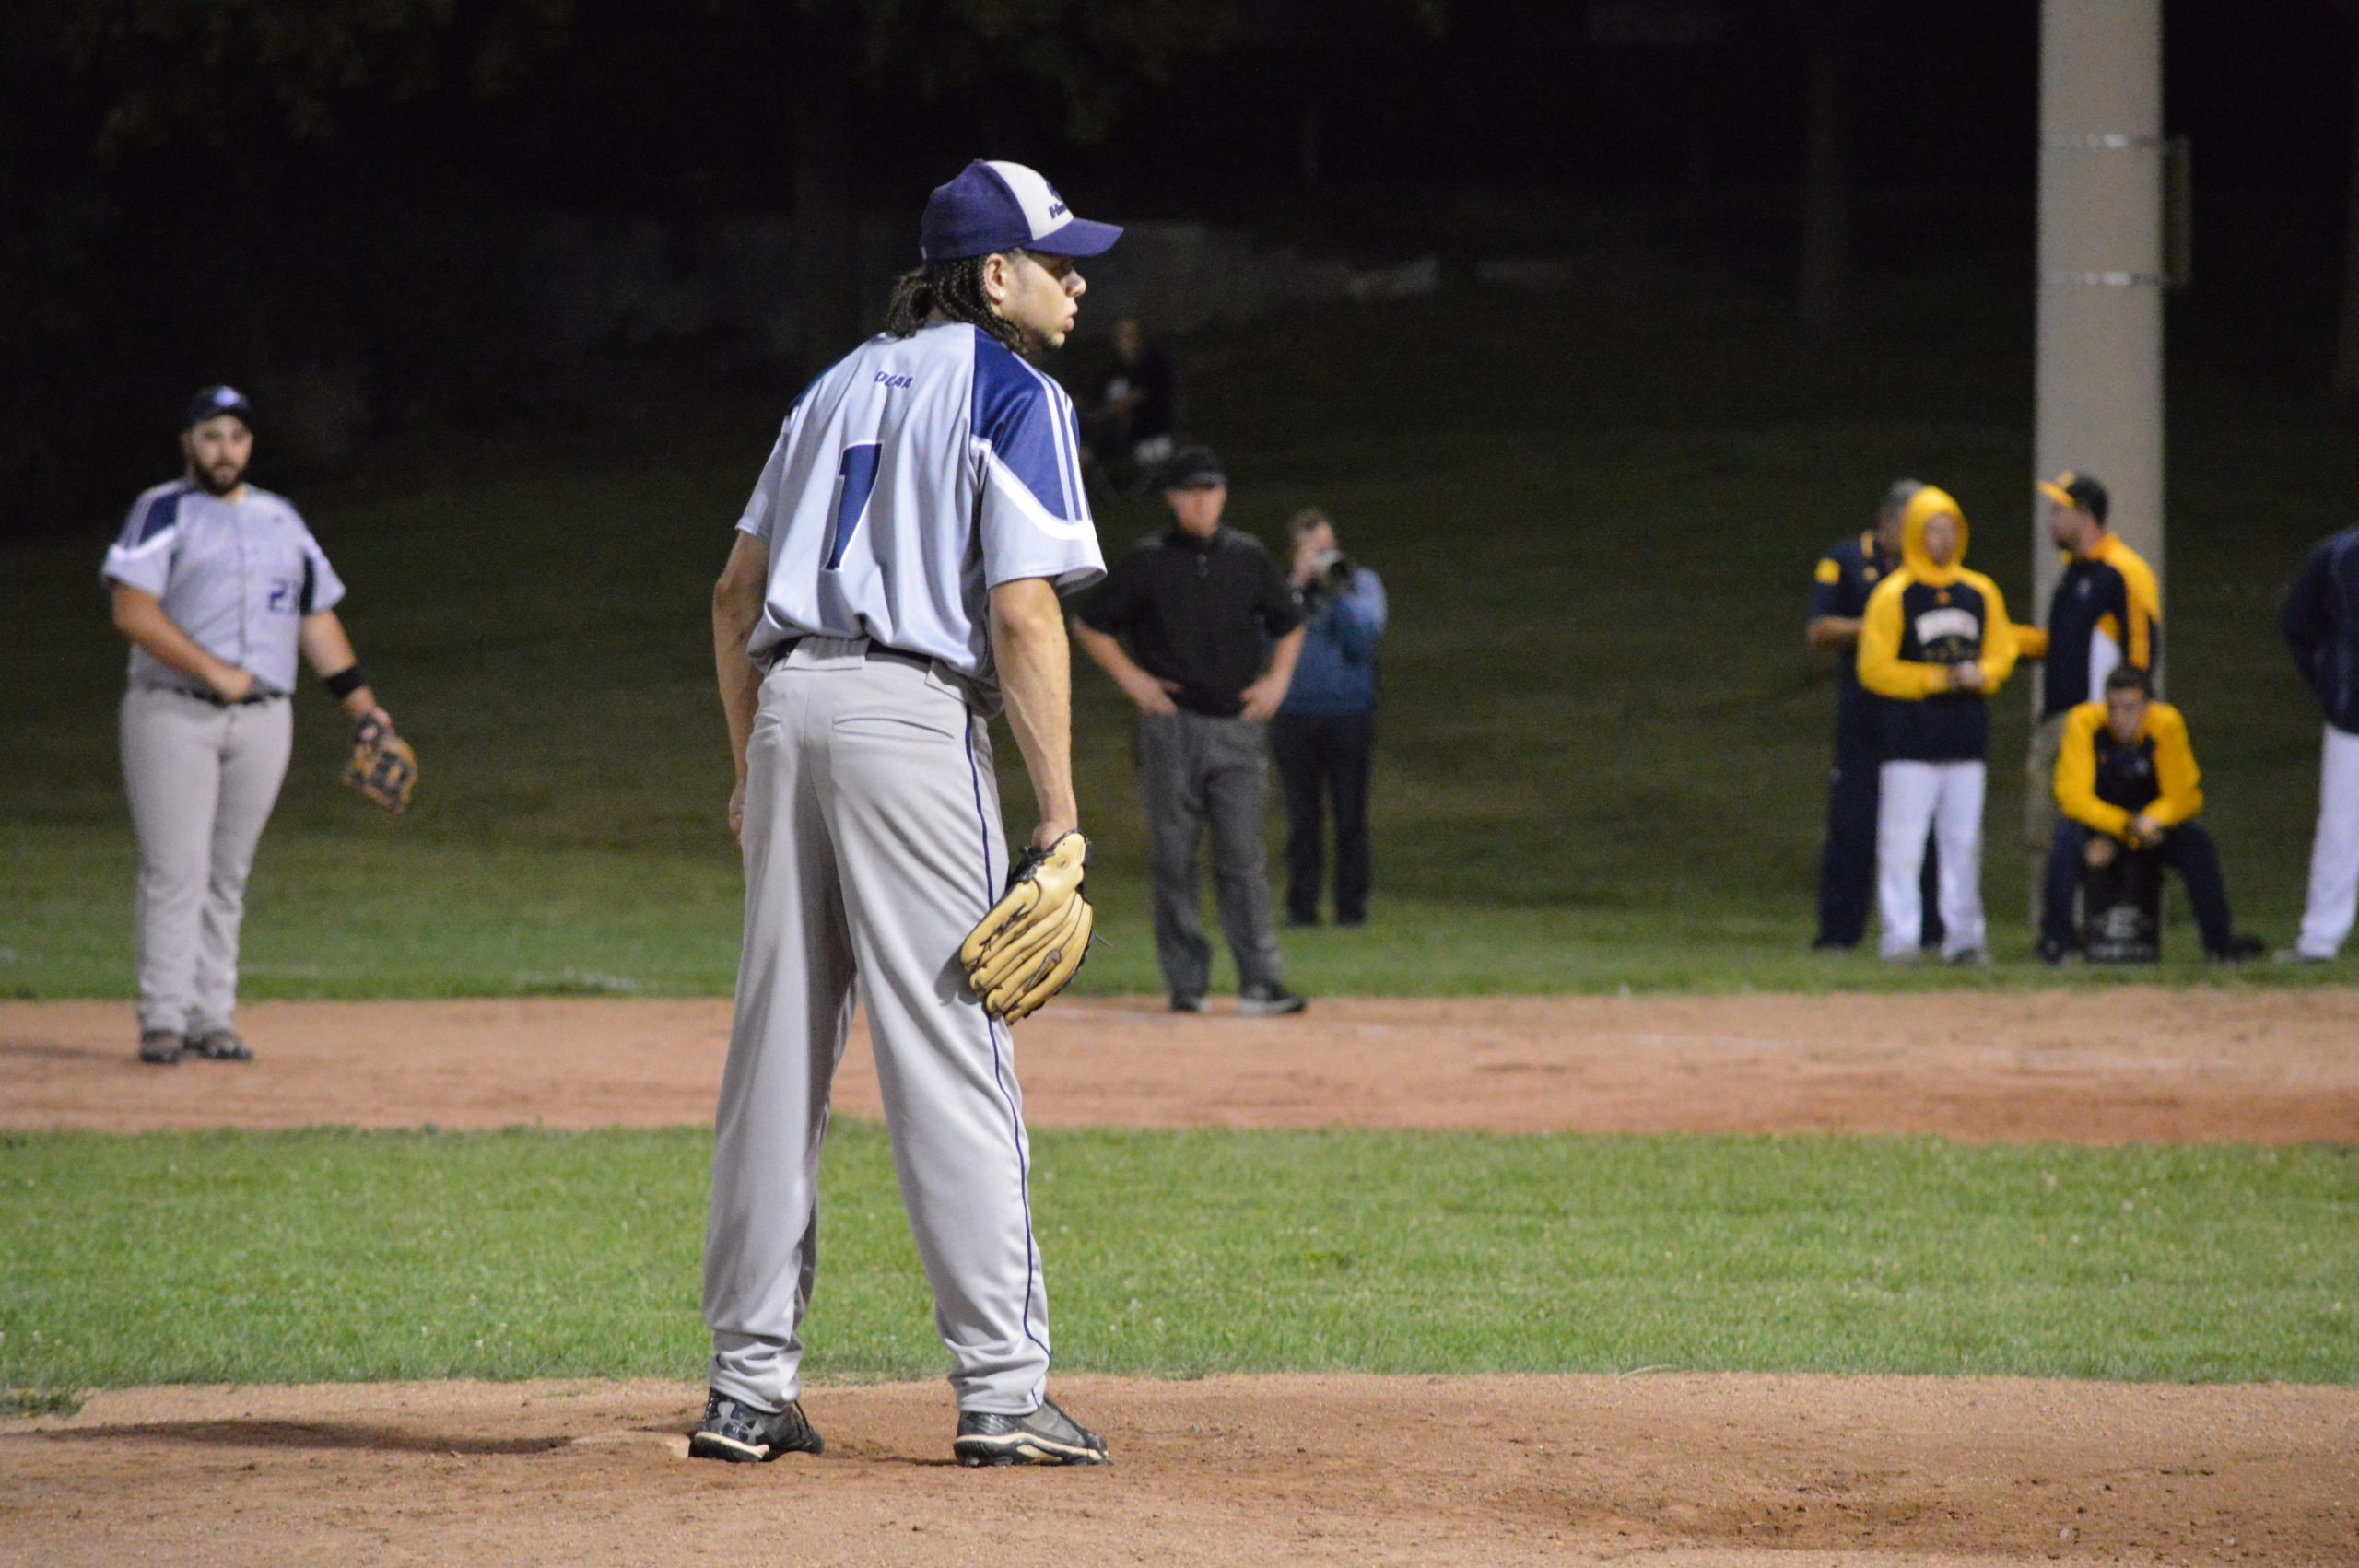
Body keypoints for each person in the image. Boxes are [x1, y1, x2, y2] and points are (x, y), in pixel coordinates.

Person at [698, 158, 1119, 1469]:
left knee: (775, 1052)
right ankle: (1002, 1390)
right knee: (953, 1046)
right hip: (910, 720)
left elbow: (733, 595)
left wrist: (748, 768)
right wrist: (1059, 816)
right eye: (1056, 262)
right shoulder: (1015, 393)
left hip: (789, 711)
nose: (1077, 283)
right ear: (993, 276)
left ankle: (745, 1389)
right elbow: (1022, 611)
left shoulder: (827, 389)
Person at [101, 385, 400, 1066]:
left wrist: (362, 707)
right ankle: (163, 1018)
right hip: (172, 712)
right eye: (211, 436)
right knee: (177, 870)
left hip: (266, 719)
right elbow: (132, 612)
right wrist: (213, 669)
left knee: (228, 874)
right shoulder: (162, 510)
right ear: (188, 442)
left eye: (236, 437)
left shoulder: (281, 520)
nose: (224, 450)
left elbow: (315, 618)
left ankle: (213, 1018)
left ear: (251, 446)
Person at [1072, 444, 1309, 1014]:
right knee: (1173, 859)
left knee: (1242, 857)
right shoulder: (1148, 561)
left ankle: (1260, 981)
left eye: (1211, 490)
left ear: (1223, 496)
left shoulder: (1248, 557)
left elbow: (1290, 621)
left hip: (1236, 727)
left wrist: (1277, 681)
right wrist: (1134, 681)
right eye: (1190, 491)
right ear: (1172, 499)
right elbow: (1090, 623)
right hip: (1171, 729)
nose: (1202, 502)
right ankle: (1187, 983)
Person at [1857, 484, 2018, 964]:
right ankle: (1900, 940)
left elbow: (2003, 649)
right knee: (1902, 846)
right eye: (1933, 529)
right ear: (1914, 533)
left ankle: (1964, 940)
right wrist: (1937, 679)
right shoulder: (1894, 594)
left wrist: (1985, 674)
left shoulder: (1979, 590)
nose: (1943, 539)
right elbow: (1874, 668)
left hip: (1965, 739)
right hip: (1909, 742)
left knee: (1963, 845)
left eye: (1950, 529)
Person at [2013, 471, 2160, 931]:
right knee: (2043, 827)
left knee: (2091, 827)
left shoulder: (2122, 570)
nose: (2051, 521)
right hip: (2058, 718)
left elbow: (2140, 652)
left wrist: (2124, 725)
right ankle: (2053, 927)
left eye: (2058, 511)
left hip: (2093, 722)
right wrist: (2008, 643)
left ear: (2084, 515)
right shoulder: (2074, 574)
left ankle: (2100, 924)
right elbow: (2064, 646)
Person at [2042, 666, 2260, 963]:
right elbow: (2074, 799)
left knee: (2196, 844)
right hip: (2106, 824)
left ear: (2148, 707)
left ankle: (2219, 945)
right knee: (2066, 840)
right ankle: (2055, 943)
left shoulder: (2165, 724)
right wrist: (2125, 829)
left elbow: (2185, 796)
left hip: (2153, 827)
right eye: (2113, 708)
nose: (2120, 718)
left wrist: (2149, 822)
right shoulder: (2084, 723)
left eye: (2130, 708)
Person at [1805, 479, 1942, 952]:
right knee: (1851, 825)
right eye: (1912, 525)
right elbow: (1820, 629)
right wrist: (1879, 627)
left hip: (1915, 715)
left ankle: (1929, 931)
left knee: (1923, 826)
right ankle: (1839, 934)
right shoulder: (1845, 560)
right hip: (1862, 715)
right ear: (1887, 521)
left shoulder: (1929, 570)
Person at [1271, 509, 1386, 928]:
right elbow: (1265, 639)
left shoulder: (1360, 583)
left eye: (1327, 545)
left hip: (1348, 715)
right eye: (1312, 549)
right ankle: (1301, 910)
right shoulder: (1281, 590)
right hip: (1294, 717)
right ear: (1295, 552)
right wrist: (1297, 588)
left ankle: (1351, 910)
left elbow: (1365, 641)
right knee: (1303, 820)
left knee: (1351, 817)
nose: (1324, 554)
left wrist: (1336, 595)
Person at [2282, 523, 2359, 962]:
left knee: (2340, 825)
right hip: (2352, 716)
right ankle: (2320, 939)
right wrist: (2329, 683)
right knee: (2340, 827)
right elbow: (2298, 621)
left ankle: (2319, 941)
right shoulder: (2339, 555)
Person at [1080, 317, 1180, 488]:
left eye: (1130, 336)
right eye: (1120, 336)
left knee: (1092, 444)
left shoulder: (1154, 364)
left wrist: (1099, 416)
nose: (1124, 342)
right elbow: (1095, 397)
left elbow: (1133, 400)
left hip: (1147, 433)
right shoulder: (1113, 368)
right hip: (1113, 430)